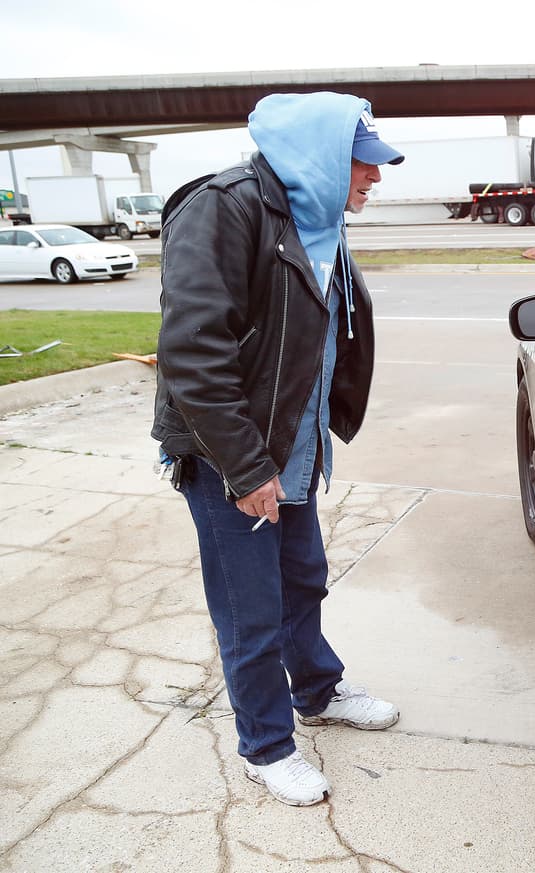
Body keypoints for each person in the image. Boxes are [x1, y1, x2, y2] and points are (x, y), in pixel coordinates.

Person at [152, 92, 405, 807]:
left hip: (292, 445)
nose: (374, 179)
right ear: (324, 156)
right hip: (232, 454)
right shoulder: (224, 209)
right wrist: (246, 466)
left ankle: (317, 691)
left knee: (304, 579)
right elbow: (194, 354)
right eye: (366, 163)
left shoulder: (314, 213)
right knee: (251, 608)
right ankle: (266, 745)